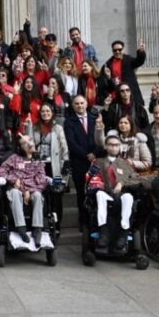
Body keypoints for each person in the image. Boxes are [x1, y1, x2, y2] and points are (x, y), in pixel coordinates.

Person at [0, 134, 54, 249]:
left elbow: (41, 181)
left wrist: (28, 191)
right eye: (24, 143)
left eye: (30, 140)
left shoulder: (38, 160)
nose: (29, 143)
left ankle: (37, 230)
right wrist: (14, 179)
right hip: (15, 190)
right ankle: (21, 228)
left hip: (33, 190)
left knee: (37, 195)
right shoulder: (14, 158)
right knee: (15, 193)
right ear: (20, 147)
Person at [87, 133, 145, 250]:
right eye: (111, 145)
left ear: (120, 147)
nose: (114, 147)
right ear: (106, 147)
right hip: (104, 194)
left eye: (116, 145)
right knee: (99, 194)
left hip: (120, 195)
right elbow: (90, 178)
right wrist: (94, 180)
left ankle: (123, 233)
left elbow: (135, 179)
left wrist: (122, 182)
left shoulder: (124, 163)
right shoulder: (98, 162)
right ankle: (104, 233)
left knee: (128, 197)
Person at [64, 95, 100, 223]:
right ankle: (83, 222)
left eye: (82, 103)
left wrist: (94, 153)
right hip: (79, 162)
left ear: (86, 104)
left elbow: (101, 139)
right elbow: (71, 143)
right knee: (81, 193)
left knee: (97, 191)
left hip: (96, 161)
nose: (80, 106)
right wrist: (86, 155)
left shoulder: (95, 119)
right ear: (73, 106)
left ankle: (96, 221)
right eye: (77, 103)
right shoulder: (68, 122)